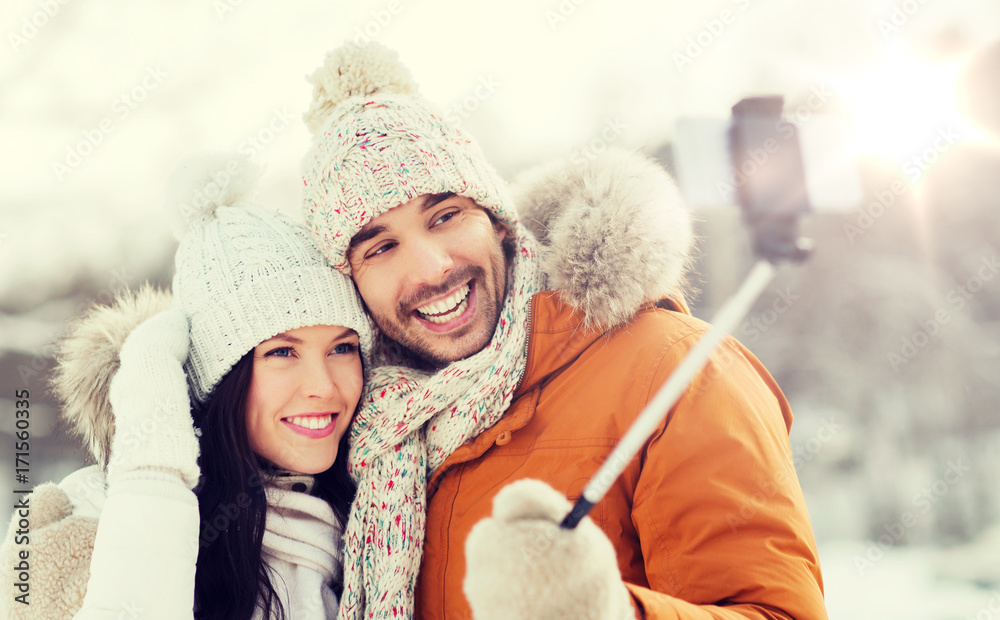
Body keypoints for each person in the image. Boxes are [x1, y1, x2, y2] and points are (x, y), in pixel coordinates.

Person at [298, 42, 829, 619]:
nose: (432, 268)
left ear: (496, 219)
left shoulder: (675, 372)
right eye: (380, 246)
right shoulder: (367, 435)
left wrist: (605, 611)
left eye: (445, 215)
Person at [0, 154, 374, 620]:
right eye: (282, 352)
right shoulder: (82, 521)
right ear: (216, 378)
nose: (324, 386)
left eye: (342, 348)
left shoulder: (375, 513)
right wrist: (155, 467)